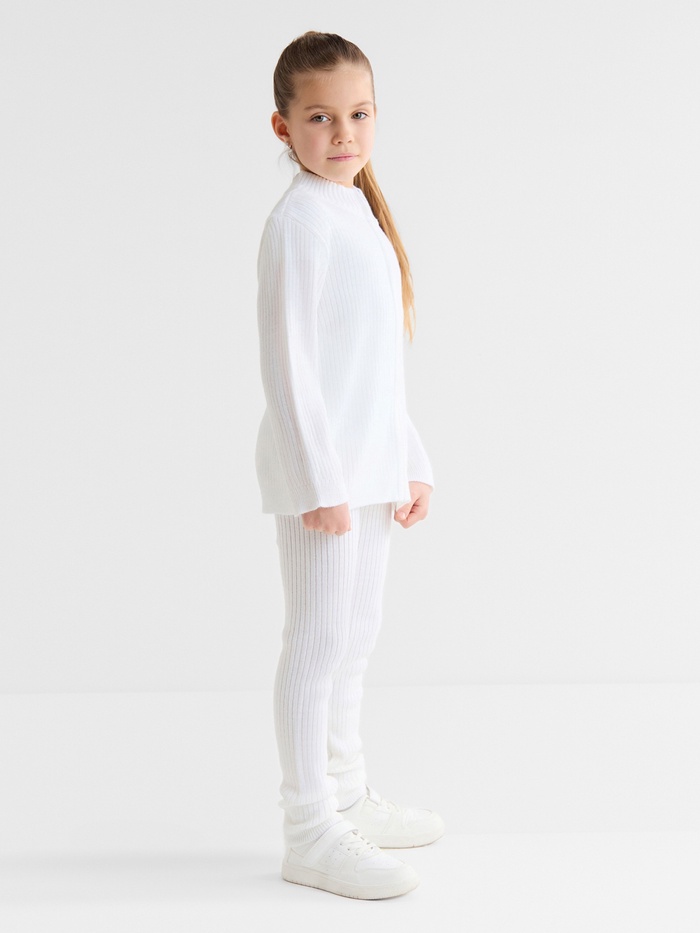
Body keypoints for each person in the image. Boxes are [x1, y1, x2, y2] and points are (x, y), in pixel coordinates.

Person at [254, 30, 444, 900]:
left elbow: (374, 365)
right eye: (321, 117)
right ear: (283, 126)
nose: (343, 134)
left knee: (357, 634)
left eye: (359, 114)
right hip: (326, 478)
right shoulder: (297, 222)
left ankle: (347, 793)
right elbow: (288, 364)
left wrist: (411, 457)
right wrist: (317, 481)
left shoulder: (357, 212)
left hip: (370, 467)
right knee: (318, 640)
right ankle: (309, 828)